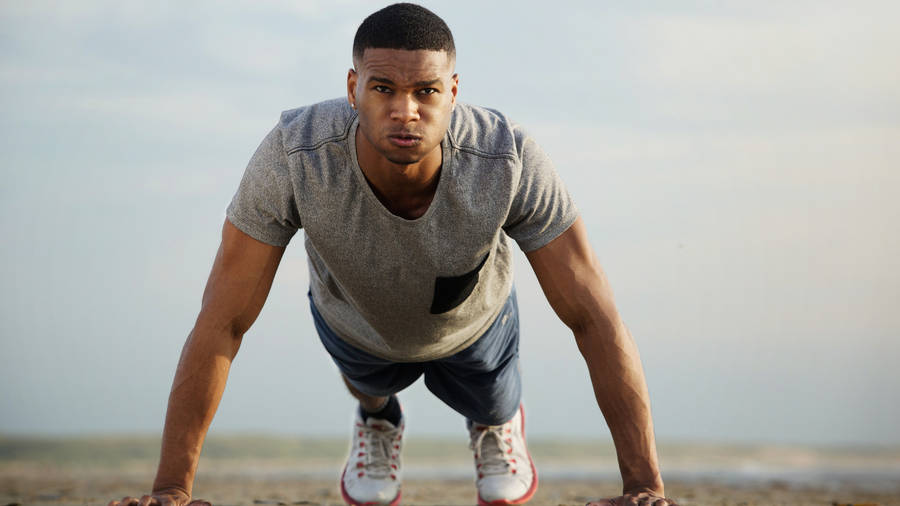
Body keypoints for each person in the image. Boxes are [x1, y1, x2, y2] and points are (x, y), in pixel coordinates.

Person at [109, 3, 677, 506]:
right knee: (368, 378)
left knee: (491, 402)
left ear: (452, 92)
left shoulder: (508, 159)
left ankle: (495, 426)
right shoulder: (295, 156)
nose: (405, 110)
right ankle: (377, 420)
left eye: (426, 91)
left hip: (474, 324)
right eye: (383, 88)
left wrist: (643, 485)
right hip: (354, 320)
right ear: (353, 87)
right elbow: (223, 320)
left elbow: (594, 317)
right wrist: (172, 488)